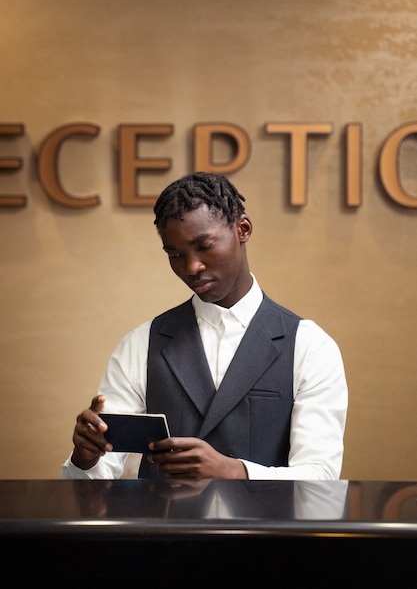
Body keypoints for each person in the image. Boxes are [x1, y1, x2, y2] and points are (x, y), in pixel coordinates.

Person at [62, 172, 348, 480]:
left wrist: (233, 471)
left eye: (205, 245)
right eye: (175, 255)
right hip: (164, 529)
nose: (192, 267)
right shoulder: (141, 344)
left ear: (243, 229)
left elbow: (321, 478)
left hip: (267, 529)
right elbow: (92, 479)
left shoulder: (310, 346)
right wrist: (86, 457)